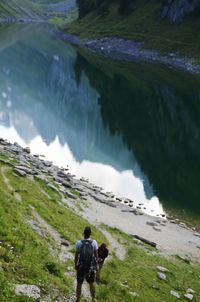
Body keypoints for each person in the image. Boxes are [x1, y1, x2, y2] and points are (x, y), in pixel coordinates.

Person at [74, 226, 99, 302]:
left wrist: (76, 265)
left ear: (83, 233)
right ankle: (93, 299)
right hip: (90, 268)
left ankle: (78, 299)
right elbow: (96, 256)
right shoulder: (94, 243)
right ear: (90, 234)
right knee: (91, 283)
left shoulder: (79, 243)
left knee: (79, 283)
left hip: (81, 267)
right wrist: (96, 265)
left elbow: (76, 256)